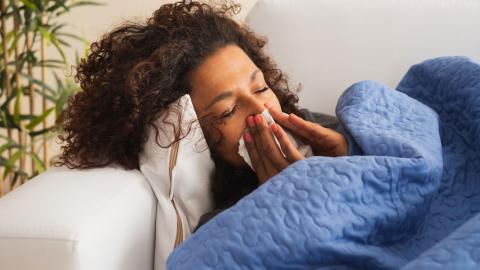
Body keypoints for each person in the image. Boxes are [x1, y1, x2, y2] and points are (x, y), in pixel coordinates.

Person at [55, 0, 348, 229]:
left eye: (259, 88)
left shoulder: (333, 129)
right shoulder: (224, 222)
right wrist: (291, 203)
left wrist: (349, 157)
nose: (261, 109)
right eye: (228, 111)